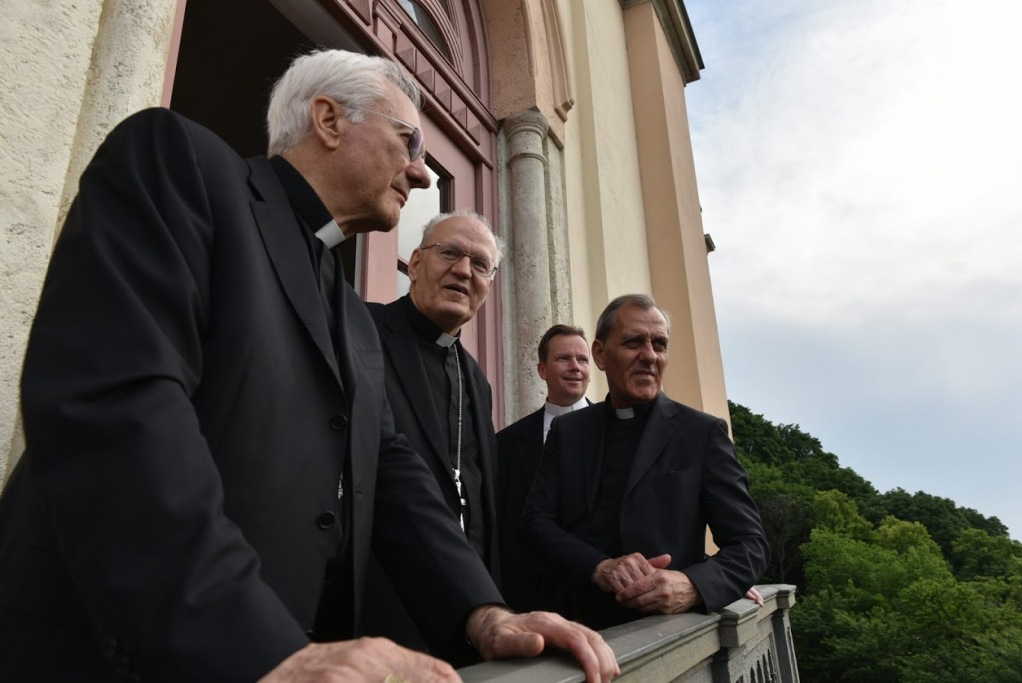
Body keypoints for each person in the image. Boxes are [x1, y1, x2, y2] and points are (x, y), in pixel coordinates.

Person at [0, 49, 618, 683]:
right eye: (407, 141)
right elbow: (119, 412)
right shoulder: (180, 165)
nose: (421, 172)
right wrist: (257, 646)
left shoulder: (350, 312)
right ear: (328, 119)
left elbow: (392, 472)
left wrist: (483, 613)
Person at [521, 294, 769, 630]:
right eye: (634, 342)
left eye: (659, 344)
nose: (649, 355)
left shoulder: (702, 433)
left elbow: (750, 546)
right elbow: (535, 525)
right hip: (579, 631)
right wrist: (599, 567)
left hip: (667, 635)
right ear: (600, 354)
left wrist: (695, 584)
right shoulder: (568, 432)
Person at [360, 209, 502, 657]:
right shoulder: (362, 330)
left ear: (488, 285)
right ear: (416, 263)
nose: (464, 271)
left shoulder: (475, 379)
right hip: (376, 606)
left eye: (480, 264)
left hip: (462, 614)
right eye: (450, 253)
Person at [497, 324, 592, 612]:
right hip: (530, 599)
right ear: (542, 370)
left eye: (583, 359)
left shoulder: (616, 432)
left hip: (599, 597)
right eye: (563, 358)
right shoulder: (506, 443)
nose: (575, 367)